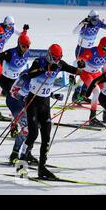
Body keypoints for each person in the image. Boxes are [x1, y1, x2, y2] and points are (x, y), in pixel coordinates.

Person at [15, 44, 85, 180]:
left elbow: (77, 71)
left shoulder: (59, 64)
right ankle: (21, 164)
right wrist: (46, 68)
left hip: (45, 103)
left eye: (59, 58)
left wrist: (81, 66)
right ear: (49, 55)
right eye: (54, 58)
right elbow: (31, 73)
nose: (57, 61)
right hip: (33, 101)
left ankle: (42, 168)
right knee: (33, 134)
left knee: (46, 138)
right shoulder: (39, 61)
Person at [7, 69, 63, 165]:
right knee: (27, 129)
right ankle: (14, 154)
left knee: (35, 126)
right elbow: (15, 93)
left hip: (27, 102)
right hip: (16, 102)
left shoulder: (43, 74)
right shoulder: (27, 76)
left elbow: (40, 91)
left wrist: (53, 95)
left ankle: (27, 153)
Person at [72, 10, 106, 103]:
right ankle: (77, 94)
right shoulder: (85, 23)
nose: (95, 21)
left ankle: (82, 94)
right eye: (93, 19)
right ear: (89, 18)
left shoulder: (99, 23)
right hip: (81, 49)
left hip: (90, 50)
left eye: (96, 19)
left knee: (89, 74)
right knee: (83, 72)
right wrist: (81, 24)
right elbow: (74, 32)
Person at [0, 16, 29, 94]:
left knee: (1, 68)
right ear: (5, 23)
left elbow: (20, 35)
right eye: (9, 25)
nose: (10, 27)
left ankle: (1, 87)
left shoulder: (12, 27)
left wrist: (25, 30)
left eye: (12, 25)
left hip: (1, 48)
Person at [76, 37, 106, 127]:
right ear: (100, 46)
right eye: (105, 48)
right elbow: (78, 60)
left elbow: (105, 66)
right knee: (96, 91)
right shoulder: (92, 52)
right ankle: (92, 118)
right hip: (86, 73)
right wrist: (80, 64)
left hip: (96, 73)